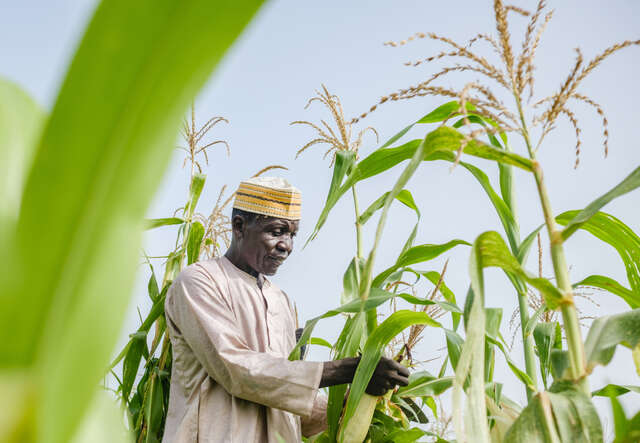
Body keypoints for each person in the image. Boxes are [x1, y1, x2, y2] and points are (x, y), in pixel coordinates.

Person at [162, 177, 409, 443]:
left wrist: (359, 397)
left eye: (292, 235)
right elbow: (236, 370)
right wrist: (349, 370)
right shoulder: (200, 281)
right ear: (239, 226)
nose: (287, 246)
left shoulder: (282, 302)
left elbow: (288, 399)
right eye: (277, 231)